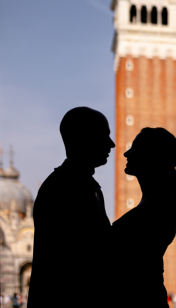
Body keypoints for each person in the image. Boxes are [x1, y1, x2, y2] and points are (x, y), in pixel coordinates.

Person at [27, 107, 115, 308]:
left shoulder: (87, 185)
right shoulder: (61, 187)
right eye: (104, 135)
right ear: (83, 138)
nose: (111, 144)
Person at [111, 127, 176, 308]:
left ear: (150, 156)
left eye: (133, 148)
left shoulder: (160, 206)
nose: (127, 153)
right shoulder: (158, 202)